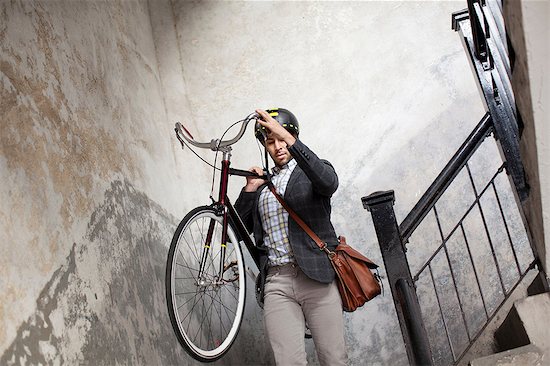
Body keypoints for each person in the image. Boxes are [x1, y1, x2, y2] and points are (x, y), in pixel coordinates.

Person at [235, 108, 346, 366]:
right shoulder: (263, 185)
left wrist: (284, 133)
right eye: (270, 141)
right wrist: (250, 190)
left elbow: (328, 183)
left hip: (317, 277)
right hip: (277, 283)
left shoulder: (312, 171)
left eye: (281, 139)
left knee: (334, 359)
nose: (277, 146)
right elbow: (236, 234)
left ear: (292, 136)